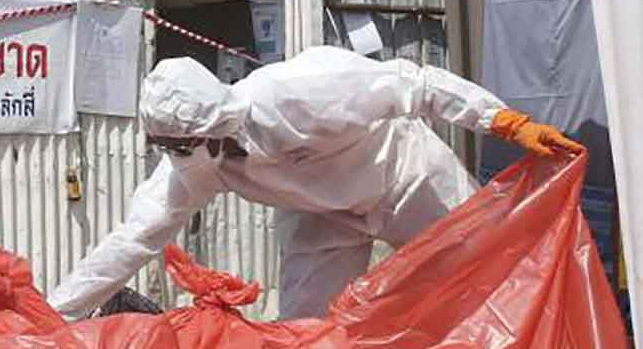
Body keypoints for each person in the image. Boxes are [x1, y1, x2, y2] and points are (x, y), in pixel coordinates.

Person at [48, 47, 582, 320]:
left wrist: (504, 121)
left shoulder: (297, 92)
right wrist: (54, 314)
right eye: (168, 149)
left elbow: (413, 84)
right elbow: (130, 242)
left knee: (491, 278)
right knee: (302, 332)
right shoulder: (195, 164)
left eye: (181, 148)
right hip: (320, 215)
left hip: (403, 176)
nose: (176, 160)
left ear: (213, 126)